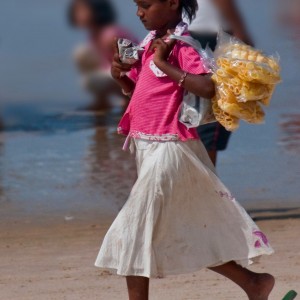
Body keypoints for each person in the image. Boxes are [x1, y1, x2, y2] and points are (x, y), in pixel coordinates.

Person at [95, 1, 275, 299]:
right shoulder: (152, 43)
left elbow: (206, 87)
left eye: (146, 4)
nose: (139, 12)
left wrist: (165, 64)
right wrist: (119, 74)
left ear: (172, 3)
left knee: (132, 228)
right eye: (137, 5)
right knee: (180, 229)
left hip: (172, 148)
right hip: (147, 147)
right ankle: (253, 284)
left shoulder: (182, 44)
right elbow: (143, 87)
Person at [187, 0, 253, 165]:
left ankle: (195, 183)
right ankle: (207, 186)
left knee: (189, 116)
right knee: (210, 118)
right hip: (209, 35)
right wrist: (240, 31)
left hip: (183, 31)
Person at [68, 0, 137, 111]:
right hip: (113, 73)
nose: (78, 15)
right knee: (82, 53)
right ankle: (102, 100)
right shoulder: (94, 34)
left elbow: (133, 61)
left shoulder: (112, 33)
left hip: (130, 76)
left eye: (82, 10)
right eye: (76, 11)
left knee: (91, 80)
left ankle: (128, 99)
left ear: (97, 11)